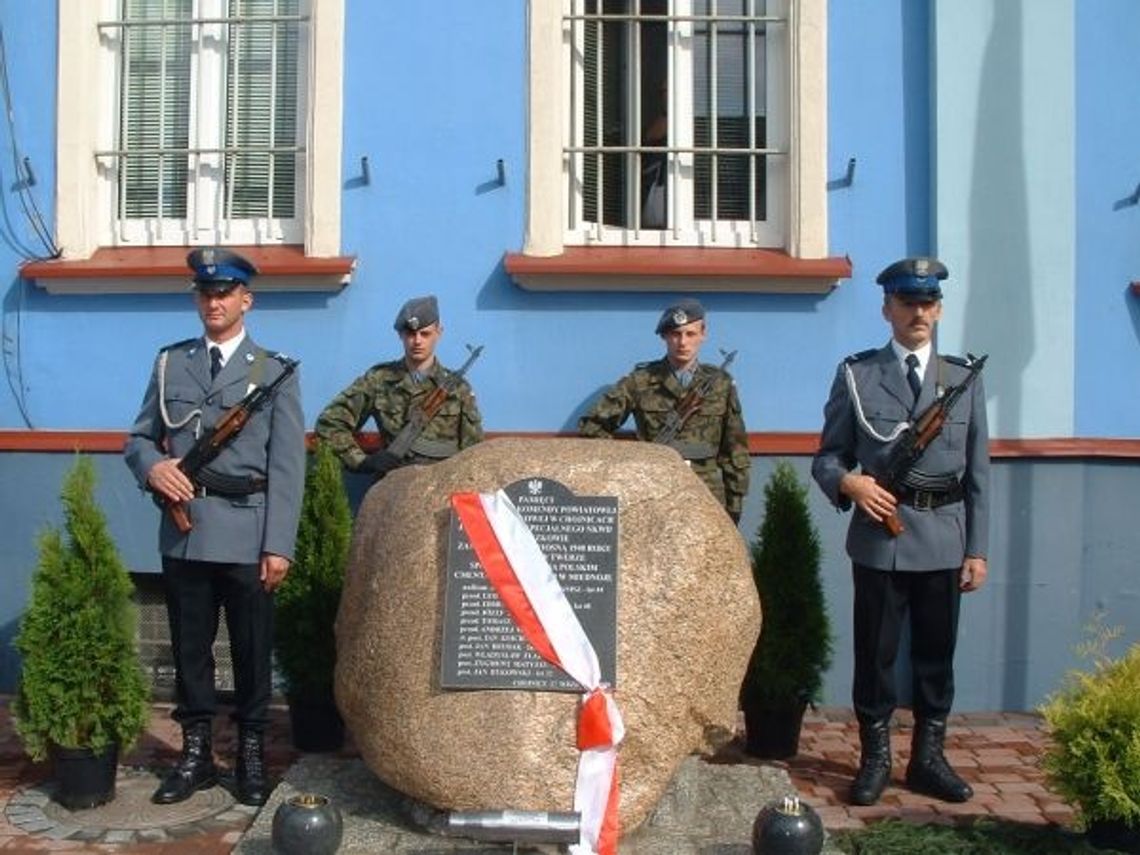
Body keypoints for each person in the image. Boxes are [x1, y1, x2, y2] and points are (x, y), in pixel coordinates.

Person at [124, 247, 305, 807]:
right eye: (205, 293)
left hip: (249, 534)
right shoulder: (170, 364)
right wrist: (153, 467)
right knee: (190, 652)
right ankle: (197, 755)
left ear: (246, 300)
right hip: (185, 533)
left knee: (250, 651)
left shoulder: (272, 371)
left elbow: (287, 466)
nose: (214, 302)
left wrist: (279, 545)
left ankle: (250, 754)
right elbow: (139, 438)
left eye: (224, 293)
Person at [811, 256, 990, 807]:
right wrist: (851, 485)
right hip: (881, 540)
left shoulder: (961, 378)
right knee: (876, 656)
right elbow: (828, 458)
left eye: (928, 303)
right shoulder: (858, 375)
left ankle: (929, 759)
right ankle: (875, 759)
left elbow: (978, 472)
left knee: (936, 658)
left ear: (939, 310)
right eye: (908, 302)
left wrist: (977, 549)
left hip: (944, 536)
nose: (919, 313)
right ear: (887, 308)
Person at [578, 298, 750, 522]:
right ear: (664, 337)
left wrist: (734, 505)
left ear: (703, 334)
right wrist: (627, 464)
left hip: (706, 492)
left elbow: (734, 449)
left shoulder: (720, 383)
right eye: (675, 334)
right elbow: (592, 427)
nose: (683, 342)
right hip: (654, 488)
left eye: (690, 334)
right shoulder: (640, 381)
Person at [315, 295, 483, 477]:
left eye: (425, 334)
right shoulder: (379, 380)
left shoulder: (458, 389)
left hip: (441, 484)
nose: (417, 341)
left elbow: (473, 452)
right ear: (400, 335)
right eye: (410, 334)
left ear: (439, 332)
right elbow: (329, 423)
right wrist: (363, 461)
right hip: (392, 483)